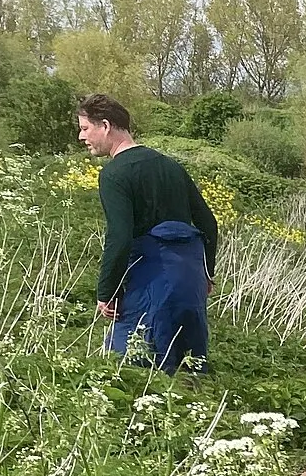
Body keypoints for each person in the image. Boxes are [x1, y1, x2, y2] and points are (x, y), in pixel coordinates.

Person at [77, 94, 220, 374]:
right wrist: (206, 274)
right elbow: (208, 223)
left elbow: (120, 237)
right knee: (187, 366)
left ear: (105, 126)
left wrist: (106, 292)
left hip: (150, 278)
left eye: (84, 128)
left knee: (132, 367)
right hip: (189, 278)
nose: (82, 137)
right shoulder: (171, 165)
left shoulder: (115, 174)